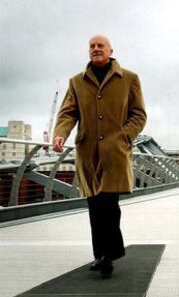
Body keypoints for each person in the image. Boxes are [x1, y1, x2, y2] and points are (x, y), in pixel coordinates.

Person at [53, 35, 147, 277]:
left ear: (110, 50)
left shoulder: (129, 79)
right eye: (92, 46)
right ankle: (103, 254)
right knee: (95, 204)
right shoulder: (76, 82)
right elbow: (67, 113)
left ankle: (107, 255)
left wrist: (124, 136)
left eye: (100, 46)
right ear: (89, 51)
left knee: (109, 203)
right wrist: (60, 134)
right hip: (88, 153)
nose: (95, 49)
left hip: (115, 152)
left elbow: (139, 115)